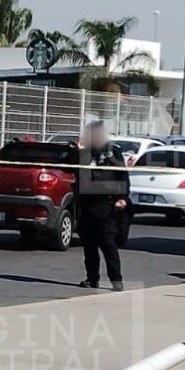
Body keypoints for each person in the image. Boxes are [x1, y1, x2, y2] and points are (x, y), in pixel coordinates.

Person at [76, 121, 129, 292]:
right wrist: (78, 150)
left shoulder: (112, 152)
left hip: (106, 205)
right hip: (87, 205)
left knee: (108, 245)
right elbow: (74, 169)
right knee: (89, 247)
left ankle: (116, 280)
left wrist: (122, 198)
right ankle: (92, 279)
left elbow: (123, 176)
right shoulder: (85, 152)